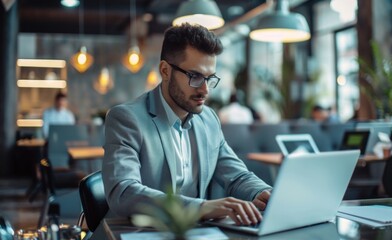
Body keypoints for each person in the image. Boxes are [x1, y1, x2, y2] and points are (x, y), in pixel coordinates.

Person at [102, 23, 272, 225]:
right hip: (142, 232)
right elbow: (123, 191)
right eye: (195, 76)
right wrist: (201, 207)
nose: (205, 90)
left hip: (195, 232)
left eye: (209, 78)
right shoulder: (127, 119)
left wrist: (265, 193)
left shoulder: (208, 119)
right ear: (165, 71)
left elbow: (237, 176)